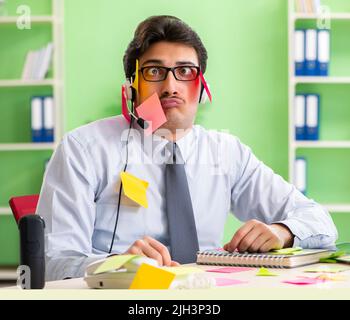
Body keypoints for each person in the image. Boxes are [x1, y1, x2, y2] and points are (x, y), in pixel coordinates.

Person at [37, 15, 338, 281]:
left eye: (185, 71)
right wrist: (117, 265)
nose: (170, 86)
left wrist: (283, 231)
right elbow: (51, 262)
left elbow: (320, 222)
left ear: (202, 86)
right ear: (131, 86)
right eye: (154, 72)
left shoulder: (226, 151)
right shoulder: (83, 149)